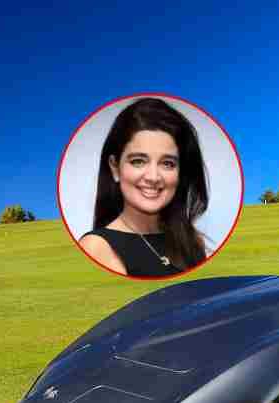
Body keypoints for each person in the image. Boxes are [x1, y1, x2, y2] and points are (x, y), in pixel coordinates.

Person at [80, 98, 209, 277]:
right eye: (138, 161)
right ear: (115, 167)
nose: (153, 177)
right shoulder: (97, 247)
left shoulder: (193, 242)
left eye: (167, 163)